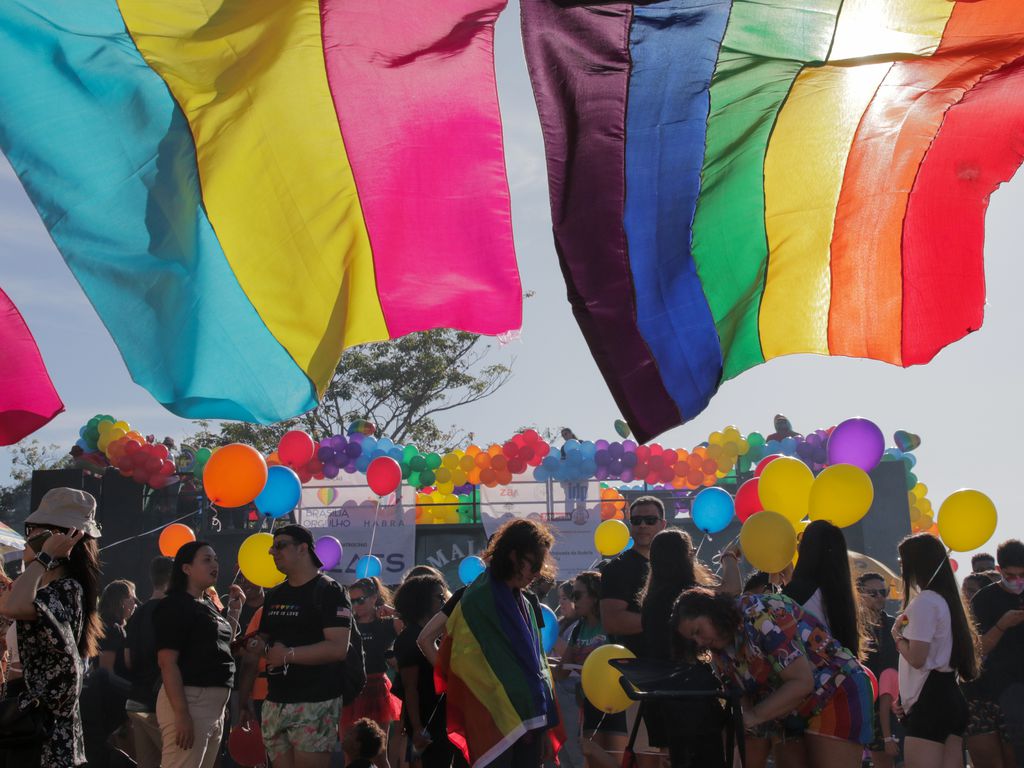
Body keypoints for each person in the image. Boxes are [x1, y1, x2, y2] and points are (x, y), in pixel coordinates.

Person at [673, 587, 874, 768]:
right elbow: (744, 702)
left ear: (712, 612)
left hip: (834, 690)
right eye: (693, 640)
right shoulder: (720, 653)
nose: (700, 642)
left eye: (698, 631)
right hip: (786, 712)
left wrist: (753, 717)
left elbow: (801, 682)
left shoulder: (760, 614)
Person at [437, 518, 562, 767]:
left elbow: (538, 667)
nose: (537, 573)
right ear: (514, 557)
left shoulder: (523, 601)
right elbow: (462, 664)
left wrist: (546, 725)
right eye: (534, 563)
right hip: (493, 723)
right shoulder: (476, 601)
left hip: (529, 721)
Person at [0, 487, 104, 767]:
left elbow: (12, 607)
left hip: (44, 731)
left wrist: (44, 556)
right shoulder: (42, 585)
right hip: (21, 721)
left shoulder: (68, 588)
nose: (27, 536)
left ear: (62, 536)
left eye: (34, 529)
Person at [237, 524, 351, 768]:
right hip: (275, 702)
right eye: (272, 547)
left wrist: (289, 655)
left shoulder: (330, 591)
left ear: (302, 549)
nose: (272, 552)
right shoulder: (275, 594)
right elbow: (264, 641)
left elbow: (338, 648)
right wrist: (252, 647)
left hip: (315, 702)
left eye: (280, 546)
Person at [638, 529, 739, 766]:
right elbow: (732, 589)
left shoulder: (649, 600)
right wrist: (729, 558)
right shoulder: (687, 597)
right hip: (690, 697)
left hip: (658, 696)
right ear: (687, 557)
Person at [155, 541, 243, 768]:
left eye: (215, 559)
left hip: (214, 708)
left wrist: (234, 611)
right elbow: (167, 663)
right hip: (190, 702)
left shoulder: (207, 604)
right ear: (186, 569)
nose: (215, 564)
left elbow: (221, 646)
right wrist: (182, 714)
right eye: (206, 560)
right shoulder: (174, 605)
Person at [894, 533, 978, 768]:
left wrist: (898, 640)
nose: (901, 568)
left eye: (902, 562)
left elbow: (918, 658)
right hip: (948, 694)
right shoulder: (946, 600)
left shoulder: (925, 601)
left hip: (930, 700)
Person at [598, 495, 666, 767]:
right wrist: (667, 621)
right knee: (647, 753)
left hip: (681, 671)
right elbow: (613, 621)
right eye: (636, 521)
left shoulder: (678, 563)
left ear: (663, 523)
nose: (642, 526)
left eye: (650, 520)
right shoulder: (619, 568)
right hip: (640, 673)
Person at [557, 570, 627, 767]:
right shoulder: (578, 628)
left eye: (577, 595)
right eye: (572, 596)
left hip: (616, 704)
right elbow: (562, 671)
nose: (573, 600)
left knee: (615, 763)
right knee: (593, 763)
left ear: (595, 596)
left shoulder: (610, 625)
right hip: (588, 704)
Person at [968, 539, 1024, 768]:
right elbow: (978, 650)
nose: (1018, 581)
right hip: (1004, 686)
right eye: (1011, 576)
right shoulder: (984, 600)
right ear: (999, 570)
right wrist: (1002, 625)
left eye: (1023, 575)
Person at [393, 574, 459, 767]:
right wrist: (417, 728)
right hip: (426, 719)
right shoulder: (409, 638)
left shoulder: (436, 633)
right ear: (422, 600)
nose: (444, 600)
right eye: (438, 597)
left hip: (441, 715)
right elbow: (410, 688)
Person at [782, 520, 864, 658]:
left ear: (808, 549)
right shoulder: (843, 593)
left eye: (802, 538)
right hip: (841, 673)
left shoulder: (797, 592)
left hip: (810, 674)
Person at [343, 577, 401, 768]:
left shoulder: (387, 623)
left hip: (376, 688)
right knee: (349, 753)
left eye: (361, 600)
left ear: (374, 598)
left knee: (379, 753)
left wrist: (394, 612)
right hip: (351, 689)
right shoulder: (347, 624)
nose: (356, 605)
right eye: (352, 601)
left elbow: (416, 629)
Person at [123, 555, 174, 768]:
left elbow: (127, 660)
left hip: (136, 701)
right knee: (177, 762)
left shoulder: (137, 614)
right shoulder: (173, 611)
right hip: (162, 705)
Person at [857, 572, 899, 768]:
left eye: (883, 592)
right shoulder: (853, 626)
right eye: (873, 593)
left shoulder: (895, 625)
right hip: (866, 704)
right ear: (859, 594)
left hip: (896, 705)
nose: (880, 596)